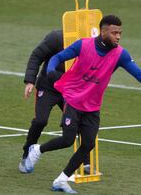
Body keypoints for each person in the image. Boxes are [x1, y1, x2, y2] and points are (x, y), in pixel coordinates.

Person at [24, 15, 141, 193]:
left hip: (93, 107)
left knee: (88, 144)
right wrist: (50, 71)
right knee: (67, 140)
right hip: (73, 100)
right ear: (103, 31)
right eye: (114, 33)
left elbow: (139, 74)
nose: (118, 36)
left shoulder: (120, 54)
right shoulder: (83, 45)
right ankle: (37, 150)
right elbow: (56, 58)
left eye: (120, 33)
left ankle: (61, 180)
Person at [18, 30, 90, 173]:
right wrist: (30, 81)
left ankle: (85, 161)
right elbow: (36, 56)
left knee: (80, 122)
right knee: (40, 121)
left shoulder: (88, 42)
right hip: (48, 87)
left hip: (70, 90)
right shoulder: (56, 38)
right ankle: (27, 153)